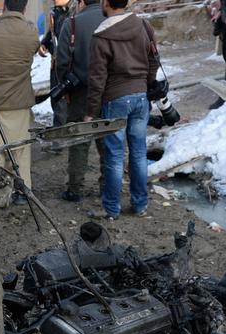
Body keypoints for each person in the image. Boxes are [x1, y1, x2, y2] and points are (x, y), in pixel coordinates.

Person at [85, 0, 158, 220]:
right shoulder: (144, 26)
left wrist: (90, 110)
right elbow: (154, 60)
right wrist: (146, 84)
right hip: (140, 96)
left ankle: (111, 209)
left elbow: (97, 78)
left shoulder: (101, 35)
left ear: (106, 3)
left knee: (115, 156)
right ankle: (140, 205)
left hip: (115, 99)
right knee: (138, 153)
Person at [0, 0, 40, 192]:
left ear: (4, 5)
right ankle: (22, 189)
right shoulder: (31, 32)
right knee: (21, 151)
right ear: (24, 7)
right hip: (20, 101)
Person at [55, 0, 106, 202]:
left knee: (79, 142)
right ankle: (107, 187)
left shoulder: (72, 23)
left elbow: (62, 61)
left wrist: (64, 85)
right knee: (108, 140)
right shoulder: (111, 19)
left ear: (82, 2)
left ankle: (75, 189)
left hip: (79, 93)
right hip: (108, 91)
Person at [39, 0, 75, 127]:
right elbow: (53, 34)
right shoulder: (56, 12)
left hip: (71, 67)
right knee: (58, 104)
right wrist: (44, 43)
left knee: (69, 109)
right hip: (56, 66)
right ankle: (59, 140)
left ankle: (66, 140)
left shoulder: (76, 10)